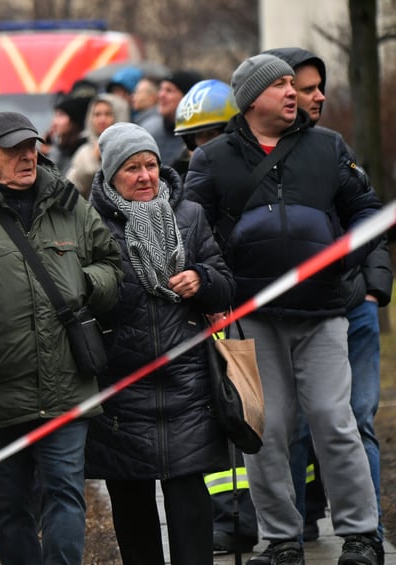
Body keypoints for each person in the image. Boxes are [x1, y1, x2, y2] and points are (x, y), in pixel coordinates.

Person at [185, 53, 384, 565]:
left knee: (333, 420)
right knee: (268, 431)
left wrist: (348, 262)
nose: (294, 93)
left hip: (323, 312)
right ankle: (279, 541)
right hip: (253, 318)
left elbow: (366, 210)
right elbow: (194, 232)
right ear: (253, 98)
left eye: (295, 84)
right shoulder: (213, 159)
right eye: (281, 86)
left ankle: (361, 534)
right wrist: (213, 287)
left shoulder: (328, 147)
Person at [0, 111, 123, 565]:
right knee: (9, 509)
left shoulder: (69, 204)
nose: (27, 156)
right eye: (13, 150)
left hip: (65, 385)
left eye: (31, 146)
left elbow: (113, 266)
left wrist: (85, 284)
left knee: (65, 497)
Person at [84, 122, 234, 565]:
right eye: (132, 168)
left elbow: (225, 282)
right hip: (121, 388)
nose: (146, 176)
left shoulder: (188, 215)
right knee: (132, 510)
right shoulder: (91, 224)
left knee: (190, 502)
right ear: (111, 176)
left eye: (151, 164)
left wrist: (202, 279)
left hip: (186, 386)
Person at [264, 46, 393, 548]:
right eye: (303, 86)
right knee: (289, 431)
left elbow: (370, 220)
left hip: (349, 307)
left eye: (319, 86)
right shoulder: (255, 157)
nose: (315, 95)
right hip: (288, 316)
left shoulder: (333, 149)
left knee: (354, 422)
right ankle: (291, 534)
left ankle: (367, 535)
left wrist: (373, 290)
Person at [172, 78, 260, 554]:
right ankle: (229, 517)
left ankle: (297, 510)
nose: (200, 148)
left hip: (262, 302)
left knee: (266, 413)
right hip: (221, 304)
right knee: (227, 407)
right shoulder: (194, 184)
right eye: (193, 140)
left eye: (209, 136)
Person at [66, 93, 130, 198]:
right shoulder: (84, 151)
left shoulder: (131, 149)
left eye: (108, 114)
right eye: (97, 114)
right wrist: (93, 159)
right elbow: (69, 191)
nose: (102, 120)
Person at [143, 70, 202, 165]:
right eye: (161, 89)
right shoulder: (150, 131)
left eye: (169, 90)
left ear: (187, 97)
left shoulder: (200, 136)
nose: (161, 95)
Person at [44, 94, 92, 173]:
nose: (54, 122)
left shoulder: (83, 150)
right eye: (55, 115)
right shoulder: (63, 148)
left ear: (75, 121)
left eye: (61, 115)